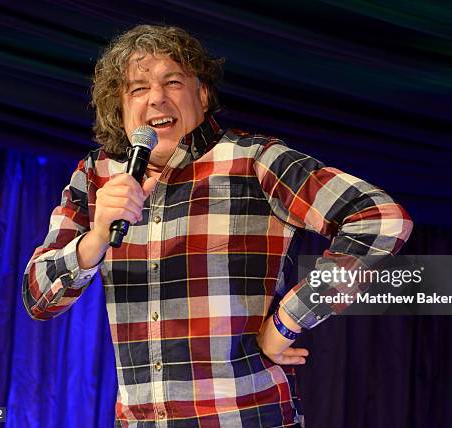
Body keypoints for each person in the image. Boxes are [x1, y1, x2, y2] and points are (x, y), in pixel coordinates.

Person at [22, 24, 413, 428]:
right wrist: (97, 236)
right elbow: (38, 298)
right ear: (119, 109)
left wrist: (290, 319)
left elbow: (379, 218)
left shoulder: (253, 159)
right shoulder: (96, 176)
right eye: (138, 88)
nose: (157, 97)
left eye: (172, 82)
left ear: (203, 95)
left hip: (244, 417)